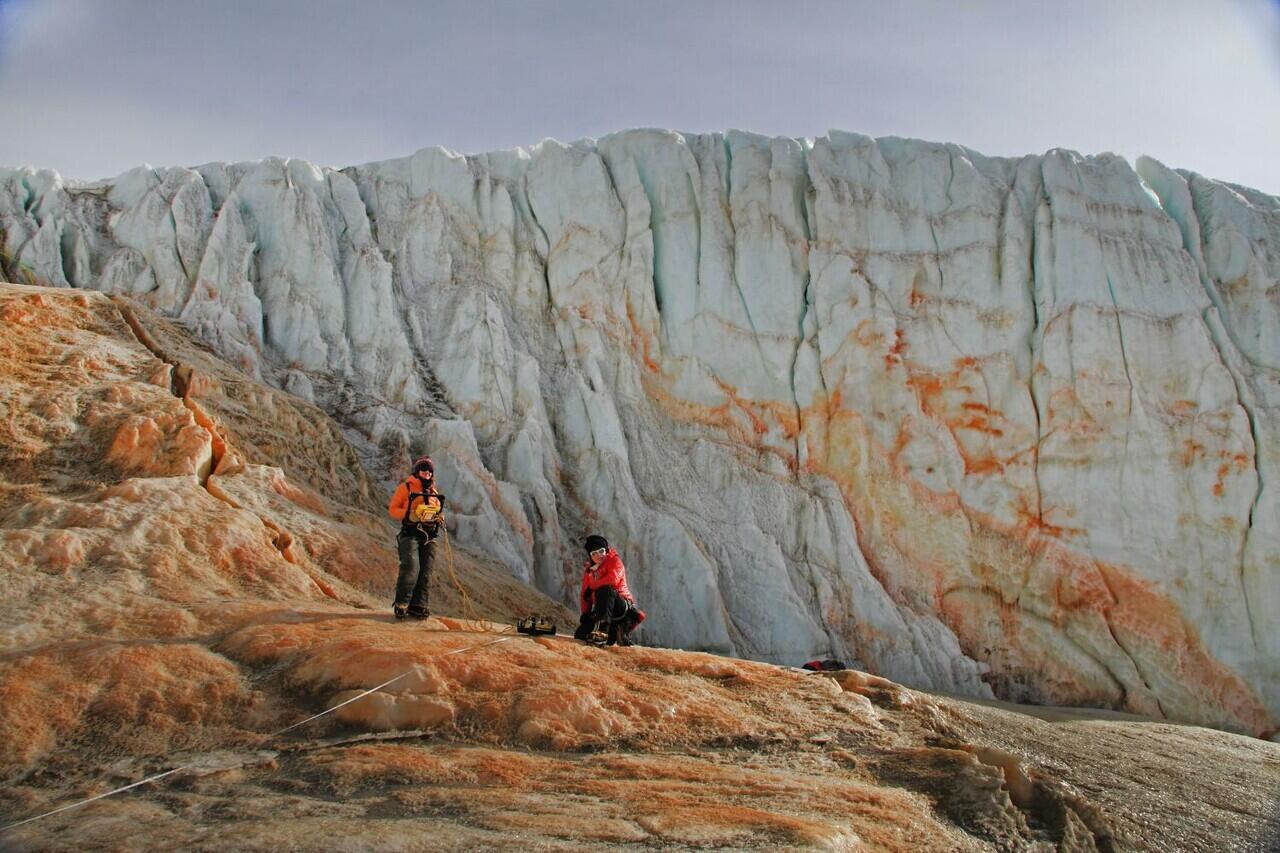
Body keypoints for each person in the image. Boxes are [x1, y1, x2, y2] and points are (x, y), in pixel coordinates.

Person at [387, 455, 444, 620]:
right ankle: (402, 604)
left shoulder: (433, 492)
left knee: (425, 572)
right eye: (423, 469)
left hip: (429, 536)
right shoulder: (406, 488)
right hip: (410, 534)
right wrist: (408, 514)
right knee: (411, 568)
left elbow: (438, 511)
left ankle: (418, 605)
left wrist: (439, 518)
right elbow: (392, 509)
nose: (426, 472)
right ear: (417, 470)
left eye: (429, 470)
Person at [574, 535, 645, 646]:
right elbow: (585, 595)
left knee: (605, 590)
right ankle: (615, 634)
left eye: (601, 551)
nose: (598, 555)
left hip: (621, 607)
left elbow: (612, 580)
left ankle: (602, 632)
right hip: (604, 611)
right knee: (580, 635)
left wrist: (592, 586)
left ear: (606, 550)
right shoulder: (590, 572)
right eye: (594, 553)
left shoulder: (615, 561)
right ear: (590, 556)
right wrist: (585, 614)